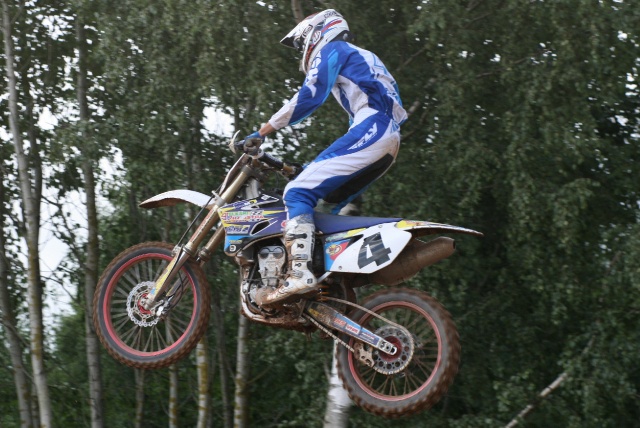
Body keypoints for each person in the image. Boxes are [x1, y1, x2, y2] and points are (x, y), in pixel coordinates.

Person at [237, 9, 407, 305]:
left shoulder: (334, 48)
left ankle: (299, 273)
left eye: (301, 43)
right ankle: (335, 280)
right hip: (386, 137)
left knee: (296, 192)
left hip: (374, 127)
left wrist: (263, 131)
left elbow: (310, 95)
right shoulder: (359, 57)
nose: (302, 50)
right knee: (329, 199)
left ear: (316, 33)